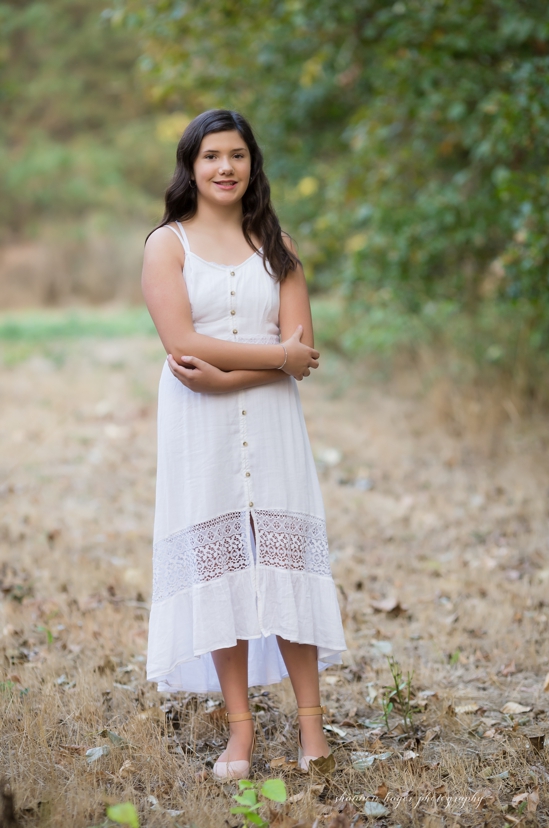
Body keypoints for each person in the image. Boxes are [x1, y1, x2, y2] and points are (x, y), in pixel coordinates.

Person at [139, 109, 345, 780]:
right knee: (219, 561)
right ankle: (240, 734)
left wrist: (233, 379)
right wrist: (270, 361)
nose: (225, 167)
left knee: (285, 559)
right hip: (198, 426)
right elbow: (184, 345)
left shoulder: (277, 246)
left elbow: (304, 352)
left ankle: (314, 735)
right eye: (211, 157)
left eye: (237, 155)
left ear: (252, 165)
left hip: (273, 423)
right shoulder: (168, 246)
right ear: (190, 167)